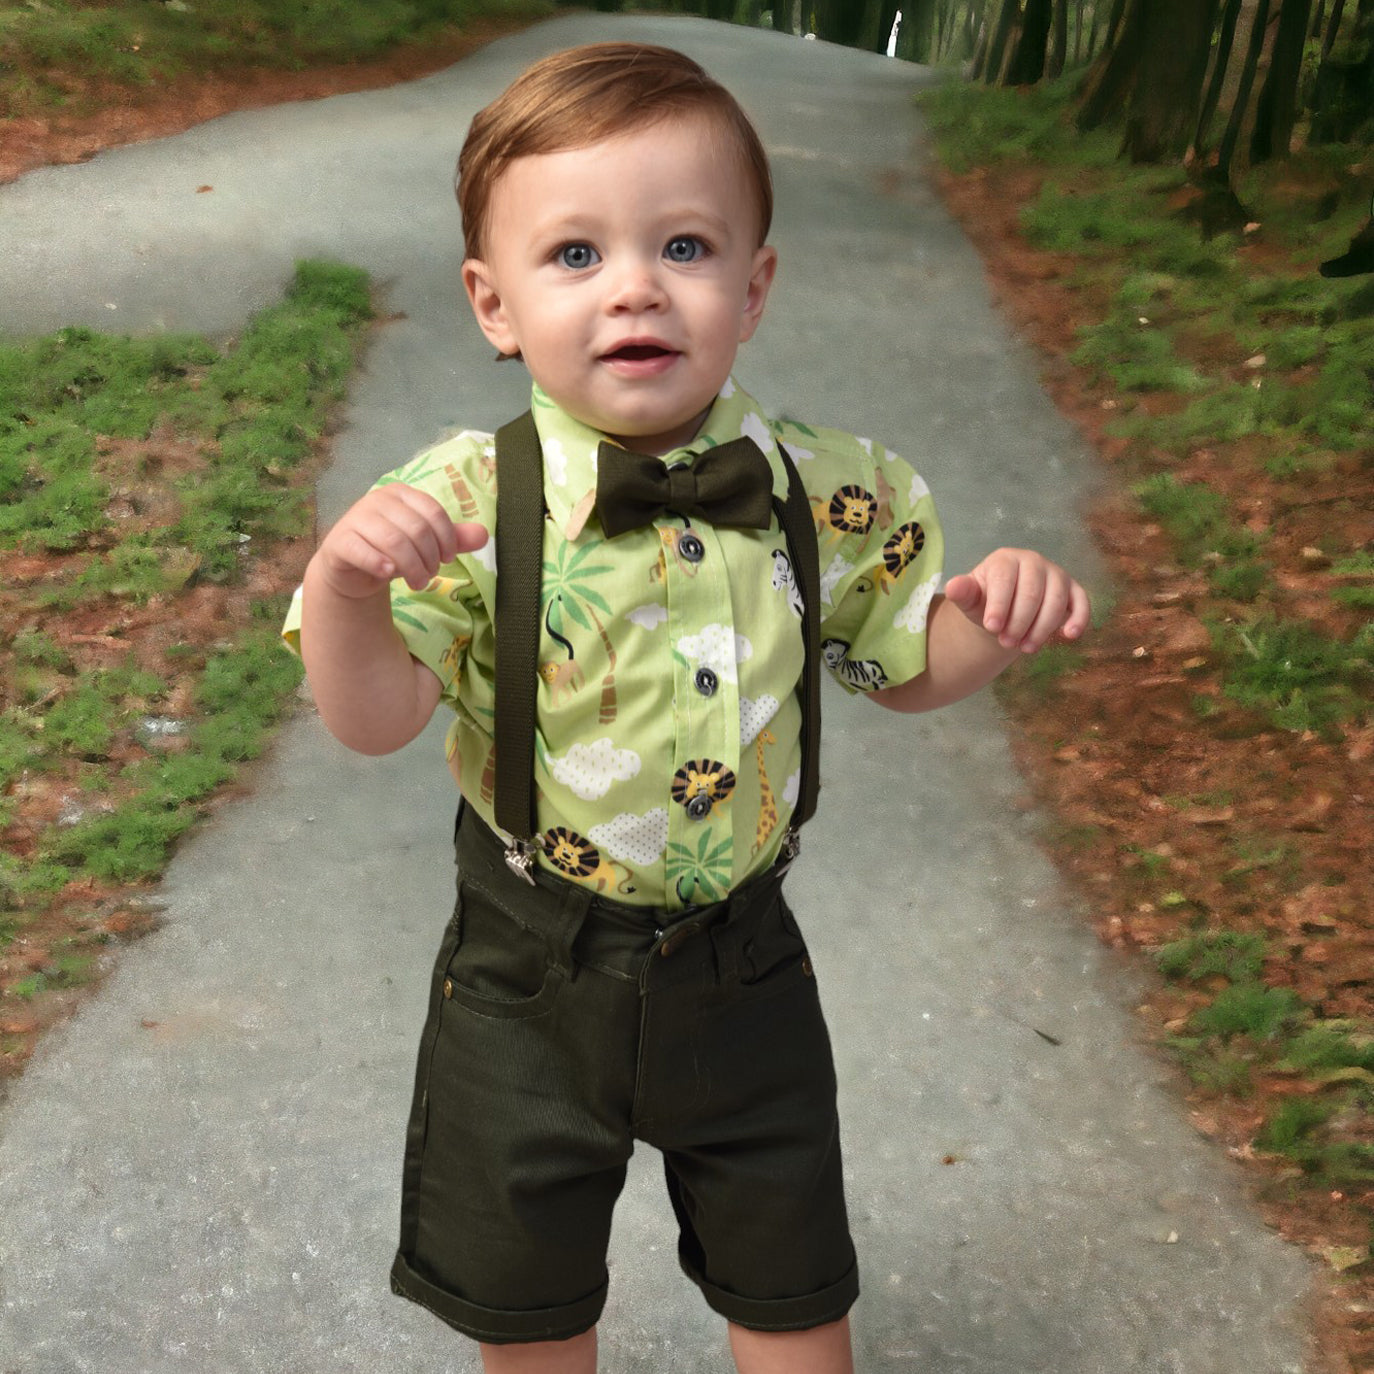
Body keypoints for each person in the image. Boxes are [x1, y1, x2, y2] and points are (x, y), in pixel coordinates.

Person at [284, 40, 1090, 1374]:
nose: (636, 288)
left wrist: (983, 620)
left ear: (754, 286)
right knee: (527, 1291)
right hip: (527, 962)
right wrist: (347, 588)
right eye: (576, 256)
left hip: (740, 956)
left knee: (790, 1276)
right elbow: (370, 719)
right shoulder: (463, 506)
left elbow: (904, 665)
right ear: (493, 304)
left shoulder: (830, 490)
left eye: (686, 246)